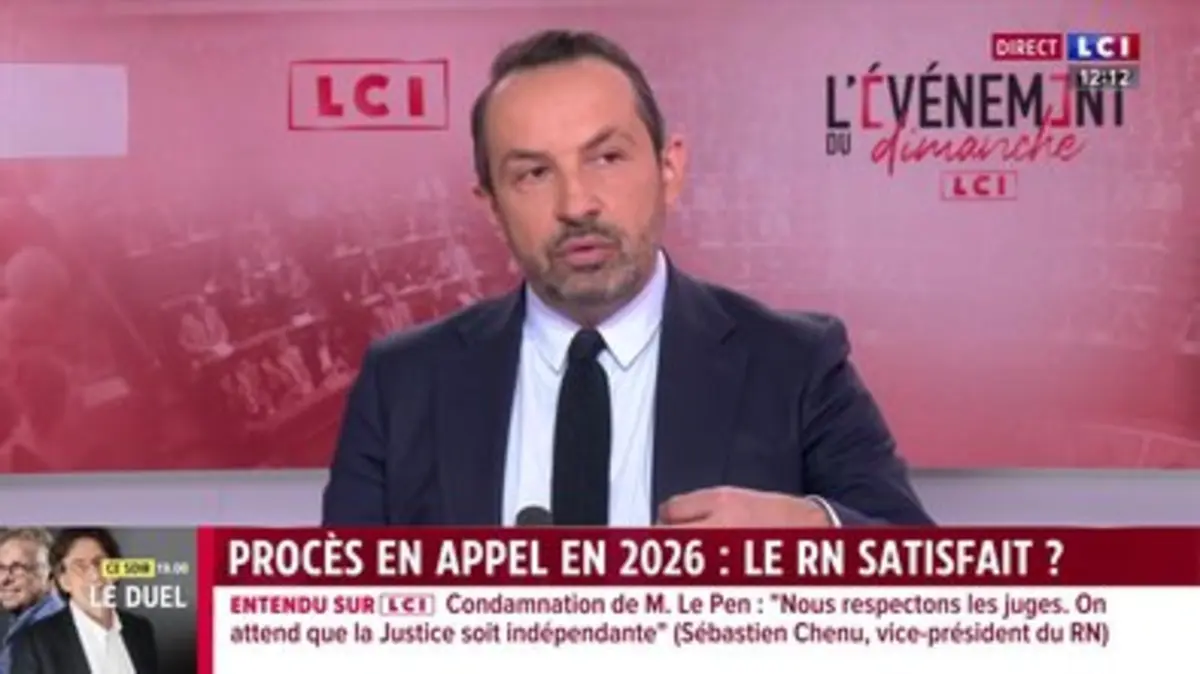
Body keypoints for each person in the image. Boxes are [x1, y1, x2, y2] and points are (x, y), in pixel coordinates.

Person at [322, 29, 933, 527]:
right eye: (534, 173)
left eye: (607, 158)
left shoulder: (796, 363)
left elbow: (922, 576)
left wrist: (812, 532)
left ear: (670, 169)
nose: (577, 203)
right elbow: (335, 610)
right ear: (491, 207)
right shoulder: (402, 382)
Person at [10, 528, 157, 674]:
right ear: (64, 581)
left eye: (100, 562)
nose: (94, 575)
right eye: (80, 566)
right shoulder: (34, 643)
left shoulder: (140, 630)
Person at [0, 529, 63, 674]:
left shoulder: (50, 633)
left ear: (50, 575)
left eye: (17, 568)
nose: (4, 579)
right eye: (1, 568)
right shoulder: (25, 625)